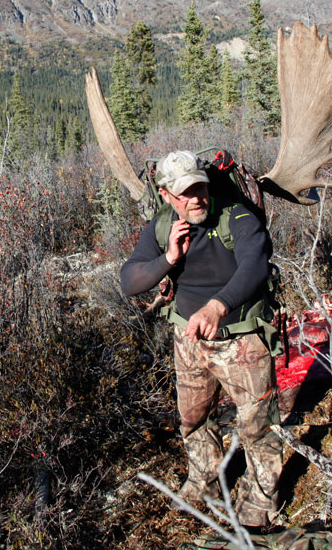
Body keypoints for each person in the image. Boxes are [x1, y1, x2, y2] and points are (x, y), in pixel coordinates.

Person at [120, 150, 282, 530]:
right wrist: (169, 258)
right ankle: (203, 482)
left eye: (200, 188)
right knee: (193, 419)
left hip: (244, 340)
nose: (196, 198)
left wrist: (217, 306)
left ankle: (260, 500)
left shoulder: (236, 216)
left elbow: (255, 264)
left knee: (258, 425)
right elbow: (130, 282)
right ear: (165, 195)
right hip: (188, 341)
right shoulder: (161, 227)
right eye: (184, 193)